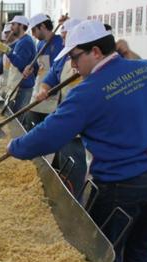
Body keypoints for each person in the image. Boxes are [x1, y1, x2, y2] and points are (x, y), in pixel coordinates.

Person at [7, 20, 147, 262]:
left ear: (96, 51)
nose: (73, 65)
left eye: (75, 57)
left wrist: (13, 145)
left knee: (107, 256)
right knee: (141, 246)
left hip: (121, 184)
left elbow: (48, 137)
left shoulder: (88, 92)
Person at [33, 17, 87, 198]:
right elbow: (51, 77)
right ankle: (64, 192)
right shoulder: (64, 58)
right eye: (63, 37)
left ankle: (74, 201)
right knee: (65, 161)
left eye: (66, 37)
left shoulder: (91, 62)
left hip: (82, 124)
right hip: (67, 120)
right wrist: (44, 89)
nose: (64, 42)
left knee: (75, 165)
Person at [22, 13, 64, 129]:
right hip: (39, 92)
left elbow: (57, 72)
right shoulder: (40, 44)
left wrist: (49, 91)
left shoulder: (59, 43)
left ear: (43, 26)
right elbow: (39, 67)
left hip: (52, 96)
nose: (33, 35)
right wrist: (30, 68)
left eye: (34, 30)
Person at [0, 15, 37, 113]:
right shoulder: (21, 41)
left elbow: (21, 64)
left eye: (14, 24)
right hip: (18, 85)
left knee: (17, 118)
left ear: (21, 26)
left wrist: (7, 51)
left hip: (23, 87)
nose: (11, 27)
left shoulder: (25, 42)